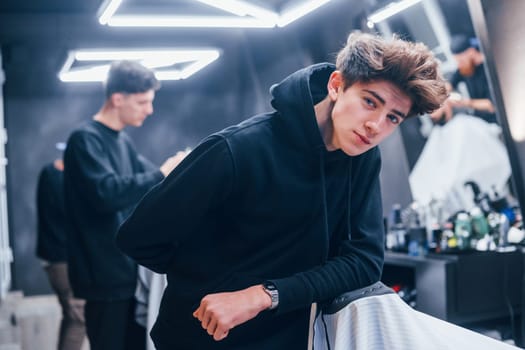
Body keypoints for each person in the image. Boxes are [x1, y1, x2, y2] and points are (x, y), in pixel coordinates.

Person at [116, 32, 448, 349]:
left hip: (288, 338)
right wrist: (210, 278)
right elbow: (138, 237)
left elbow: (363, 260)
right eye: (369, 102)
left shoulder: (360, 157)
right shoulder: (236, 150)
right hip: (202, 338)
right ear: (337, 85)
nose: (375, 125)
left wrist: (263, 295)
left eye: (393, 118)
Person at [63, 60, 187, 350]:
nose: (149, 109)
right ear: (118, 99)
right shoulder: (85, 140)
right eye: (143, 101)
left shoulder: (123, 143)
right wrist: (162, 173)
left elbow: (152, 183)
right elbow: (105, 193)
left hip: (128, 274)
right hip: (103, 279)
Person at [36, 156, 86, 350]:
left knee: (72, 315)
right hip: (62, 262)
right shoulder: (59, 183)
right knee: (78, 318)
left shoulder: (49, 174)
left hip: (54, 260)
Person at [431, 34, 496, 124]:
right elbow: (449, 85)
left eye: (461, 61)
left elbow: (492, 105)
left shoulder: (491, 69)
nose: (459, 65)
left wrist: (463, 102)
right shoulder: (465, 68)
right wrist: (438, 101)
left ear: (471, 52)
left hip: (495, 122)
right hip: (481, 122)